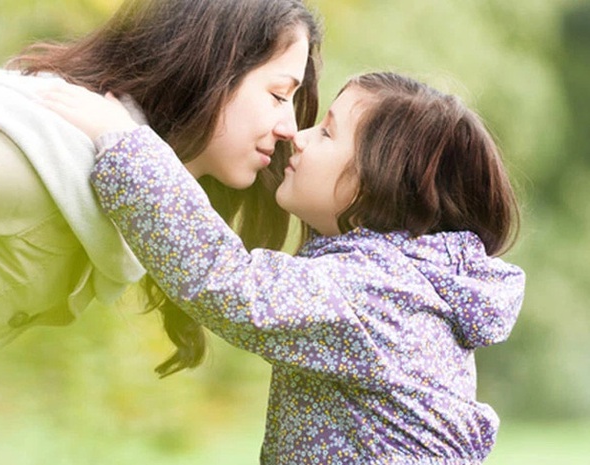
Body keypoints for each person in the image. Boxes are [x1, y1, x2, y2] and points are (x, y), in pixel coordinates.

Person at [42, 71, 526, 463]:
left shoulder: (380, 294)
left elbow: (228, 283)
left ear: (377, 183)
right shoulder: (399, 280)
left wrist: (122, 142)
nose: (298, 135)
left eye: (329, 131)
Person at [0, 0, 321, 364]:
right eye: (279, 95)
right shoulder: (41, 160)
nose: (290, 129)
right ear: (206, 70)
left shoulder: (115, 204)